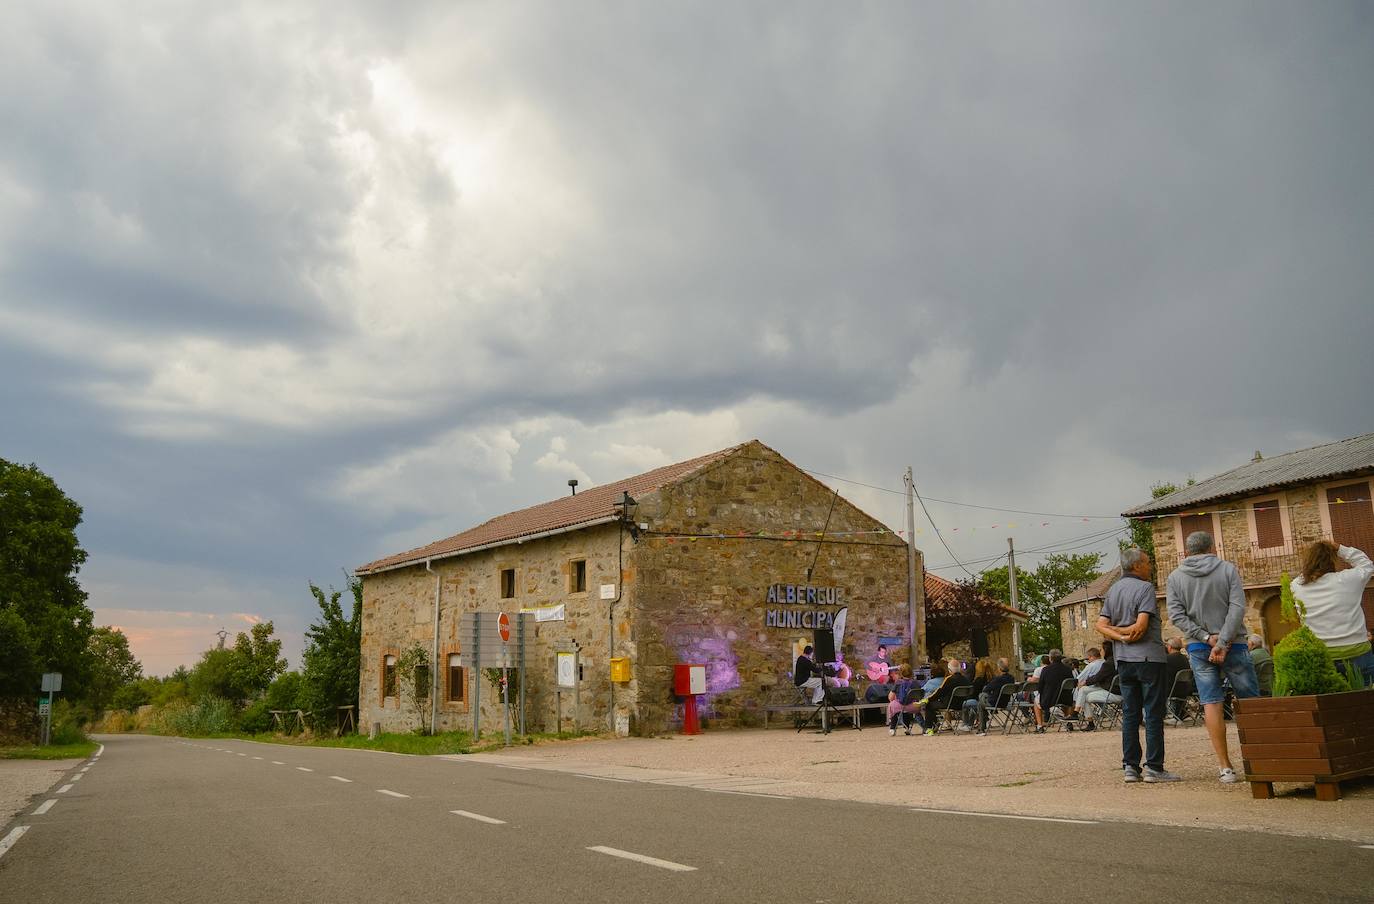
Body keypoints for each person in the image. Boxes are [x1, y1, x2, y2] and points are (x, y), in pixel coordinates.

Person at [1166, 531, 1259, 784]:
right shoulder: (1227, 569)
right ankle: (1260, 759)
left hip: (1198, 646)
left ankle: (1225, 767)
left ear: (1187, 552)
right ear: (1212, 548)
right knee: (1249, 701)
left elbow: (1176, 615)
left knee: (1211, 703)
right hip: (1235, 645)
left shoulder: (1175, 577)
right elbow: (1238, 607)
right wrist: (1224, 640)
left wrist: (1207, 638)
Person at [1100, 548, 1180, 782]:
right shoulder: (1145, 588)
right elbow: (1140, 627)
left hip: (1123, 660)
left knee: (1130, 714)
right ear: (1136, 566)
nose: (1150, 566)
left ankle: (1130, 767)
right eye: (1147, 562)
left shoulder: (1112, 591)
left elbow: (1103, 624)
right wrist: (1127, 633)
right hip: (1148, 658)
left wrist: (1115, 633)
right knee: (1153, 714)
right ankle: (1154, 767)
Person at [1290, 541, 1374, 689]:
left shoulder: (1296, 586)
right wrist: (1339, 548)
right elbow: (1366, 565)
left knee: (1331, 708)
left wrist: (1312, 559)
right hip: (1357, 652)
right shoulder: (1348, 579)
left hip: (1323, 656)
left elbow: (1303, 576)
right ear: (1332, 560)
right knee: (1367, 705)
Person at [960, 657, 1015, 735]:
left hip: (995, 702)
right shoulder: (1011, 678)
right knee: (982, 699)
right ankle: (982, 723)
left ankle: (980, 728)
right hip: (1005, 702)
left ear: (999, 668)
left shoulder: (997, 679)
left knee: (981, 698)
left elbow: (986, 689)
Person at [1070, 645, 1119, 729]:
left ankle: (1083, 718)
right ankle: (1080, 716)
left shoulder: (1102, 664)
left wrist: (1084, 682)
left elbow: (1095, 677)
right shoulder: (1109, 662)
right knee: (1083, 692)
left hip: (1108, 690)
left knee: (1082, 692)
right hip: (1105, 687)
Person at [1032, 650, 1073, 733]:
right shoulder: (1068, 669)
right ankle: (1068, 722)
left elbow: (1040, 686)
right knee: (1066, 701)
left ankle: (1040, 726)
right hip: (1066, 699)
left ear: (1050, 659)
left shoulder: (1046, 670)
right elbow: (1072, 684)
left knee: (1036, 702)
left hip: (1050, 699)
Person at [886, 664, 924, 735]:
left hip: (900, 706)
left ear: (901, 673)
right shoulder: (915, 683)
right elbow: (920, 696)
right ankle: (920, 727)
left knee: (893, 706)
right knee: (908, 709)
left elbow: (890, 697)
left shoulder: (898, 683)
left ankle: (892, 728)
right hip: (914, 707)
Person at [1163, 637, 1190, 723]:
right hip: (1184, 691)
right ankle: (1180, 713)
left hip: (1171, 691)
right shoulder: (1185, 659)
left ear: (1169, 647)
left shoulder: (1167, 659)